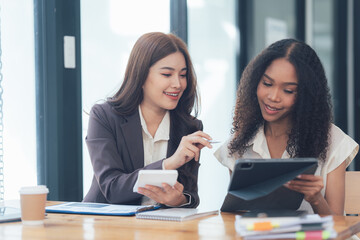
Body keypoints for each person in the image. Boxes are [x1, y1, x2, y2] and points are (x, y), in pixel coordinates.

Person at [214, 38, 359, 215]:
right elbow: (236, 216)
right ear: (255, 83)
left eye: (288, 90)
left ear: (306, 96)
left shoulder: (333, 141)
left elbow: (338, 228)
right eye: (267, 84)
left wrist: (316, 199)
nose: (273, 97)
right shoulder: (239, 143)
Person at [83, 32, 213, 208]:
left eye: (183, 75)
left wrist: (179, 200)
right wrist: (168, 164)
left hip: (160, 227)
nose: (178, 84)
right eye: (167, 74)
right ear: (141, 76)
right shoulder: (104, 116)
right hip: (107, 223)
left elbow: (191, 194)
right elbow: (112, 188)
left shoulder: (189, 127)